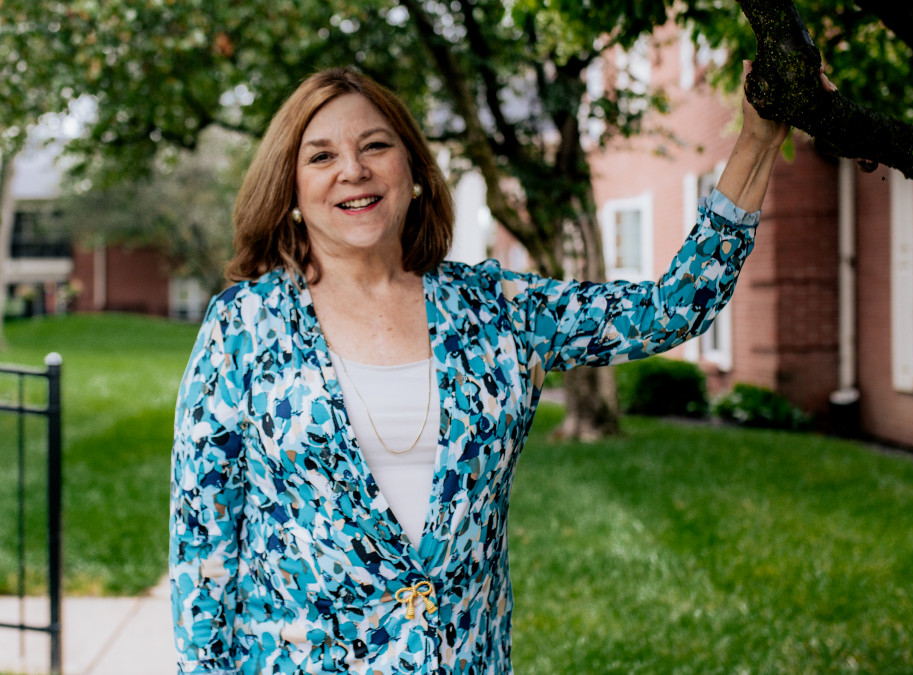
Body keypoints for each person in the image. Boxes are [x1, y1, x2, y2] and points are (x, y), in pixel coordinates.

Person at [171, 64, 788, 674]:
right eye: (321, 156)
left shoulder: (498, 311)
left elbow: (674, 308)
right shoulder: (244, 327)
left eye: (375, 146)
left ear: (412, 170)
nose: (352, 170)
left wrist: (758, 138)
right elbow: (203, 548)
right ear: (292, 192)